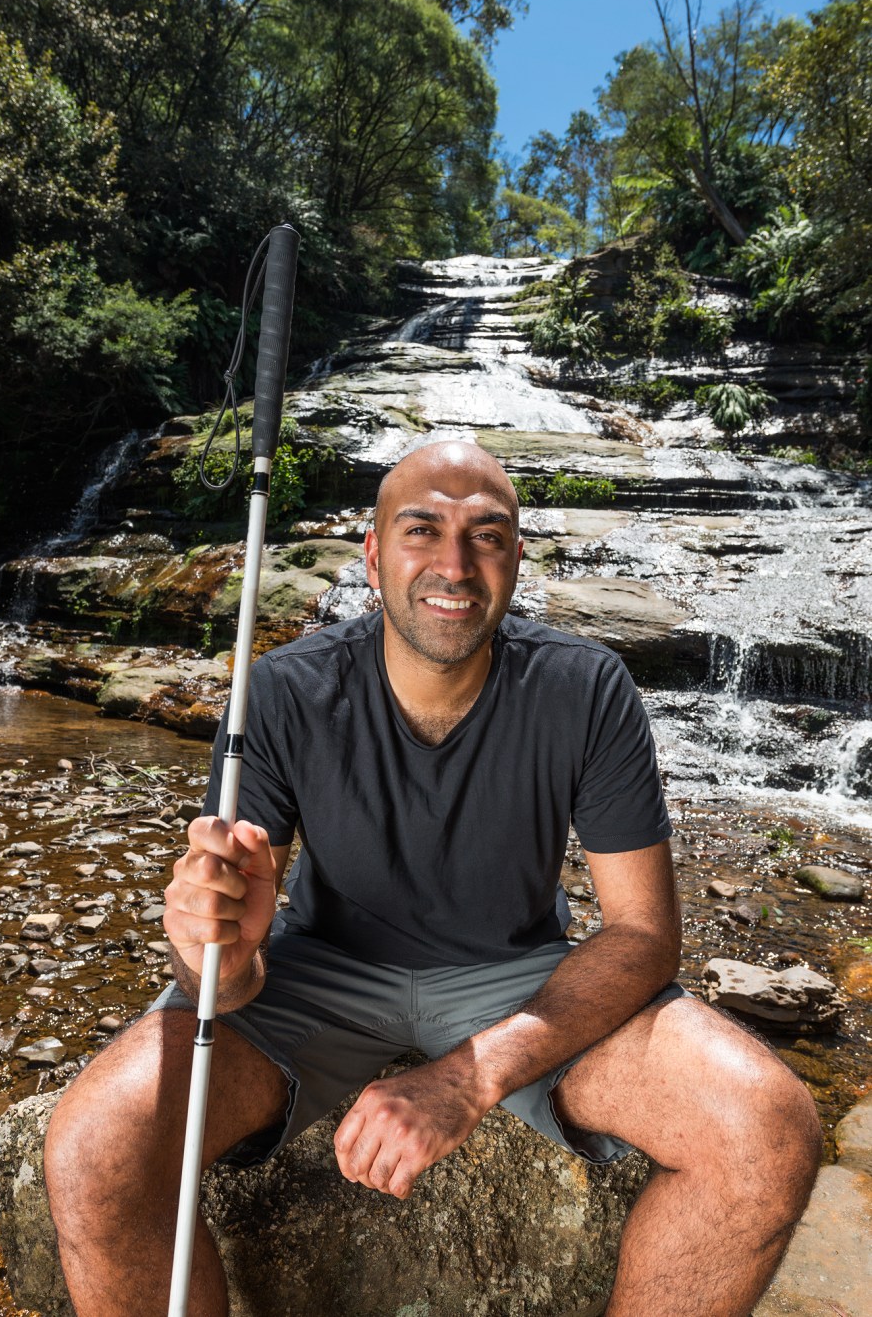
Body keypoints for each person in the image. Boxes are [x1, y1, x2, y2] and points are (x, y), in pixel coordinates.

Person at [45, 441, 822, 1317]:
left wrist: (466, 1078)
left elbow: (641, 934)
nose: (454, 565)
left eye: (486, 536)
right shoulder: (281, 692)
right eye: (422, 530)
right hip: (312, 974)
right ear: (373, 556)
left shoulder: (587, 688)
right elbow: (222, 981)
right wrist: (217, 952)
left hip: (522, 979)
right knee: (93, 1149)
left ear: (517, 558)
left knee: (767, 1131)